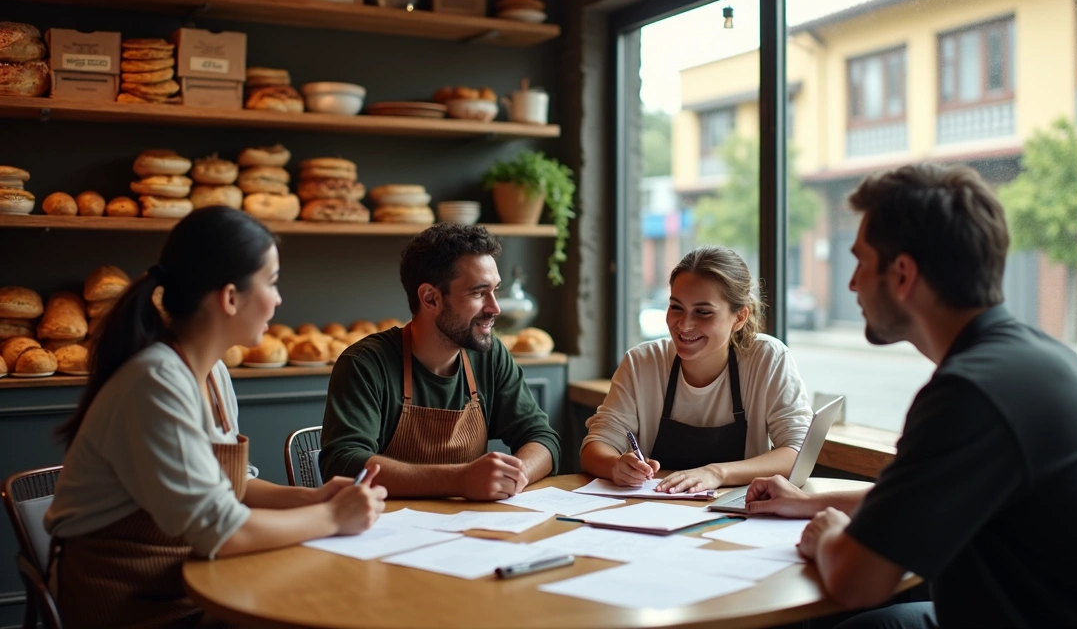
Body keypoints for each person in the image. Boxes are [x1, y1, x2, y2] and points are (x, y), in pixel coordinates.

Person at [745, 163, 1077, 628]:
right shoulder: (1029, 360)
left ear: (903, 274)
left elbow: (859, 581)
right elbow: (909, 505)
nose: (851, 283)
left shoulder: (971, 393)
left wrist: (827, 536)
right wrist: (805, 503)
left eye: (860, 261)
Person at [44, 207, 387, 628]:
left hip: (195, 578)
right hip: (133, 602)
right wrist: (334, 517)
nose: (278, 299)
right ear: (229, 297)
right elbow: (221, 532)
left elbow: (229, 488)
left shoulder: (212, 372)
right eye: (272, 282)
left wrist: (313, 498)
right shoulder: (155, 381)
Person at [319, 223, 560, 500]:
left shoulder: (490, 356)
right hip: (384, 530)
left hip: (469, 527)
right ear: (430, 298)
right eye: (479, 293)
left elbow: (542, 437)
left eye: (495, 290)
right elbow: (344, 464)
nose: (496, 308)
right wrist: (459, 480)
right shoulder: (365, 364)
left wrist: (518, 475)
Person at [581, 246, 813, 494]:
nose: (684, 325)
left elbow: (798, 452)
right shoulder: (642, 363)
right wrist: (616, 466)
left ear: (740, 317)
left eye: (703, 312)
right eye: (676, 307)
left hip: (737, 515)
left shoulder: (768, 358)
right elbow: (596, 446)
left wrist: (716, 473)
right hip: (653, 512)